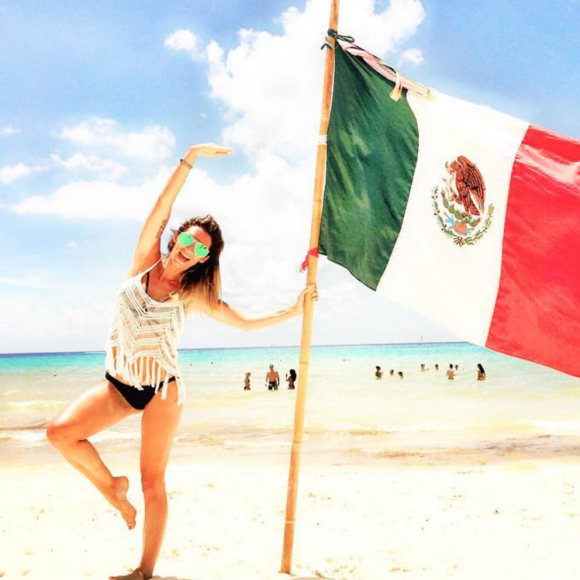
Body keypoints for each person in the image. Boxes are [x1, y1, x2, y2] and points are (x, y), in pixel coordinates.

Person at [45, 144, 317, 580]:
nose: (190, 248)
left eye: (201, 249)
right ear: (175, 239)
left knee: (152, 479)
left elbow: (243, 323)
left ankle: (145, 571)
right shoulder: (143, 262)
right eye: (187, 239)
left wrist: (294, 310)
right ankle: (113, 489)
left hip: (162, 392)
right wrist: (190, 158)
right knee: (60, 432)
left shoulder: (192, 294)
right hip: (118, 384)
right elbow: (162, 206)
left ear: (205, 260)